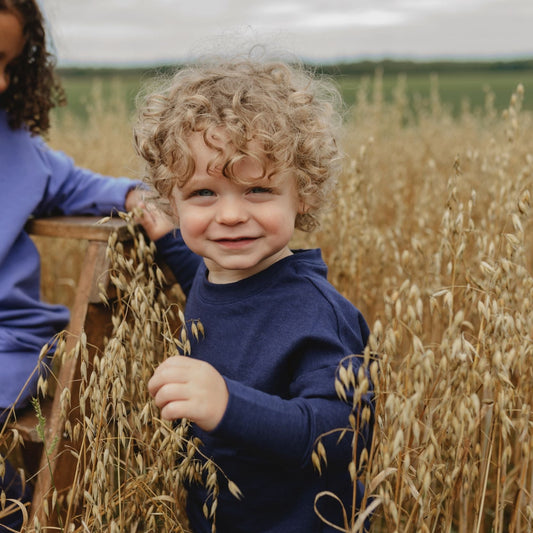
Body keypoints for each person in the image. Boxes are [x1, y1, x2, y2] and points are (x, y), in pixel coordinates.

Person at [134, 54, 374, 533]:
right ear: (172, 198)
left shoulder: (315, 312)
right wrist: (165, 237)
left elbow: (339, 433)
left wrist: (227, 405)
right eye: (203, 193)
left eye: (258, 190)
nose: (229, 215)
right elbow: (206, 285)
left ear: (302, 193)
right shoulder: (217, 269)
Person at [0, 1, 142, 529]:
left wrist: (135, 197)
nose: (1, 82)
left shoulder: (16, 150)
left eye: (11, 65)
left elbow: (89, 188)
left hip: (7, 345)